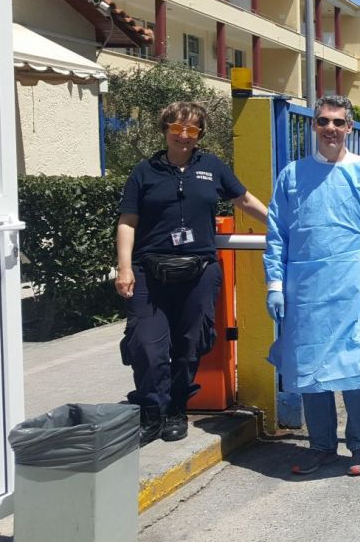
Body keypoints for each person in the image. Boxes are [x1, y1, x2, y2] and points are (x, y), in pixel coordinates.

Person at [115, 101, 268, 446]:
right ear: (165, 129)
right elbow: (128, 221)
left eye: (192, 129)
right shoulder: (144, 172)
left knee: (190, 344)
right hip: (149, 273)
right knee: (146, 345)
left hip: (199, 272)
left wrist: (279, 226)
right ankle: (151, 411)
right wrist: (124, 267)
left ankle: (175, 409)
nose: (184, 135)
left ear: (200, 134)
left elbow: (244, 200)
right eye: (177, 128)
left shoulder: (212, 167)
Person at [264, 94, 360, 477]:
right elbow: (277, 233)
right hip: (305, 291)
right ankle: (321, 446)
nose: (331, 129)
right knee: (311, 371)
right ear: (314, 125)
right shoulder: (292, 176)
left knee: (357, 368)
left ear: (350, 127)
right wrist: (275, 283)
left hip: (353, 287)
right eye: (323, 121)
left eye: (338, 122)